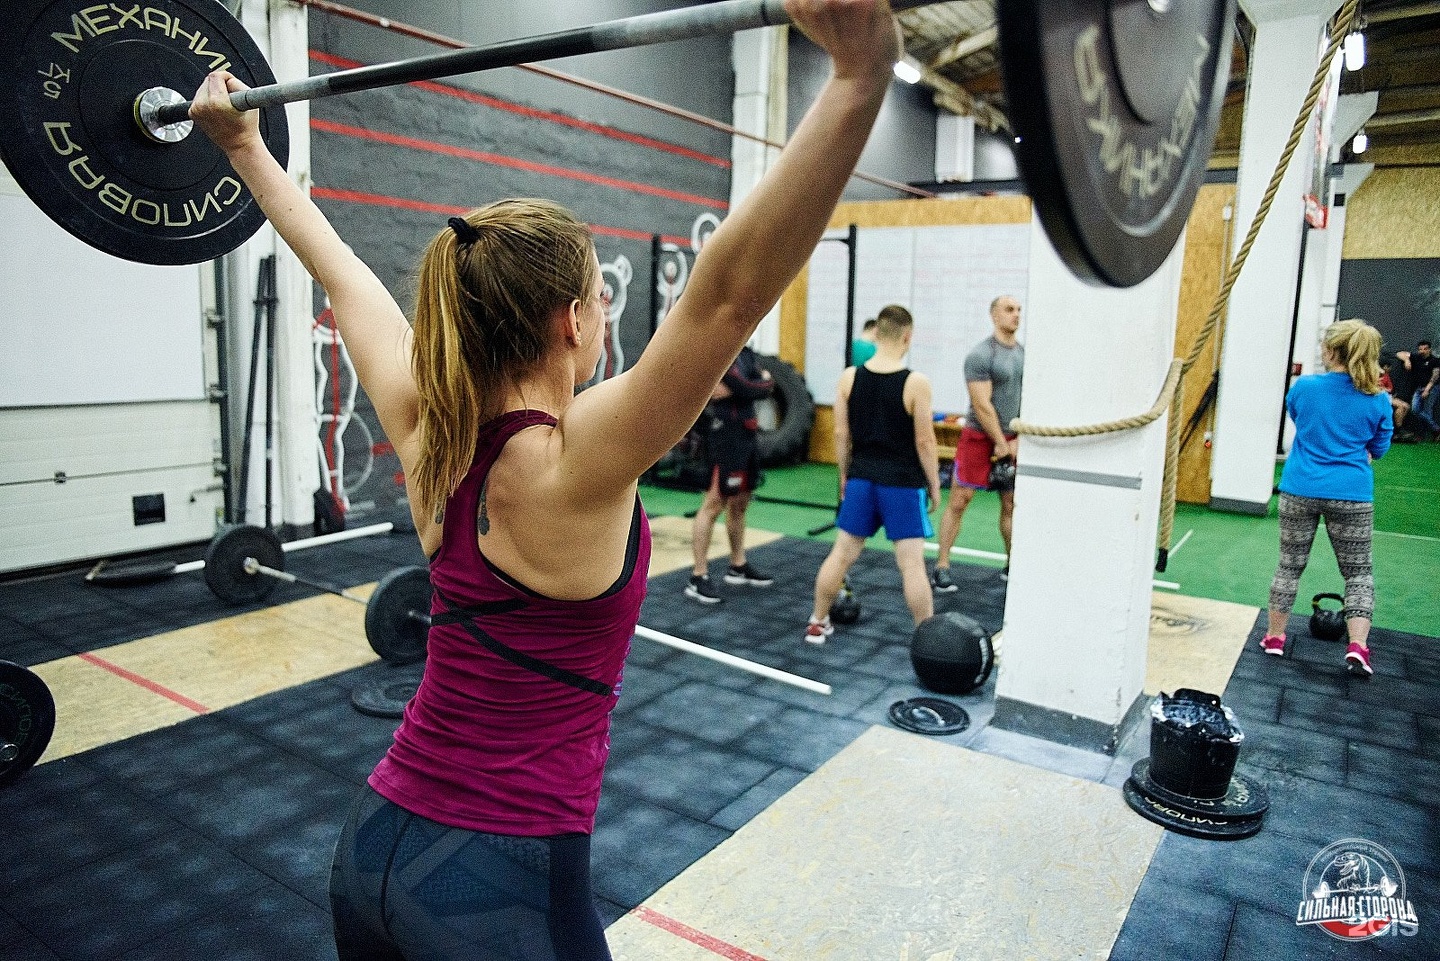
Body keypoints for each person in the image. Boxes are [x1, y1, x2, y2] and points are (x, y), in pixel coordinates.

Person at [188, 2, 900, 957]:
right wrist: (860, 73)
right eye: (602, 299)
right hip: (497, 885)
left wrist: (244, 149)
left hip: (373, 847)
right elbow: (728, 296)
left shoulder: (426, 428)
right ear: (574, 319)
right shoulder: (576, 459)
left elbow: (341, 271)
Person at [1261, 319, 1391, 677]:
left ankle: (1274, 638)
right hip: (1351, 493)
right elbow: (1378, 450)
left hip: (1300, 488)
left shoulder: (1305, 387)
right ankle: (1358, 647)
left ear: (1332, 351)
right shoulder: (1378, 400)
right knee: (1358, 573)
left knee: (1289, 565)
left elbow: (1301, 419)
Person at [807, 304, 941, 642]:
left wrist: (844, 477)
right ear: (907, 337)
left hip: (862, 479)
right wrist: (936, 485)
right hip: (901, 483)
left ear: (876, 334)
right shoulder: (916, 383)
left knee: (841, 554)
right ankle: (926, 640)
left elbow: (841, 435)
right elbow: (925, 441)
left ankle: (817, 622)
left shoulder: (849, 378)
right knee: (911, 564)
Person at [931, 295, 1023, 591]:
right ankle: (942, 566)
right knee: (960, 500)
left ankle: (1014, 564)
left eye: (1019, 310)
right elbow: (981, 404)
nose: (1016, 315)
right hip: (979, 437)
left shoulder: (1024, 354)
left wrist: (1018, 438)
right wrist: (999, 440)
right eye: (1010, 310)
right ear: (994, 315)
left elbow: (1030, 399)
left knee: (1011, 503)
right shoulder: (981, 355)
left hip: (1012, 439)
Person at [686, 344, 775, 603]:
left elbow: (756, 386)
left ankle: (738, 566)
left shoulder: (747, 353)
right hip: (724, 435)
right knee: (713, 504)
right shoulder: (720, 350)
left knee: (740, 503)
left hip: (747, 434)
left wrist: (753, 386)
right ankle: (698, 576)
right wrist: (756, 385)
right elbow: (747, 386)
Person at [1396, 340, 1439, 438]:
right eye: (1420, 349)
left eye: (1425, 349)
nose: (1422, 351)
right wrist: (1406, 360)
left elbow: (1435, 377)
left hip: (1432, 388)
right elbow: (1399, 353)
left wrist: (1427, 390)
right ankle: (1436, 429)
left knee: (1428, 411)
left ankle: (1427, 434)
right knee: (1415, 410)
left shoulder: (1435, 360)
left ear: (1430, 349)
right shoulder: (1415, 357)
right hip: (1418, 388)